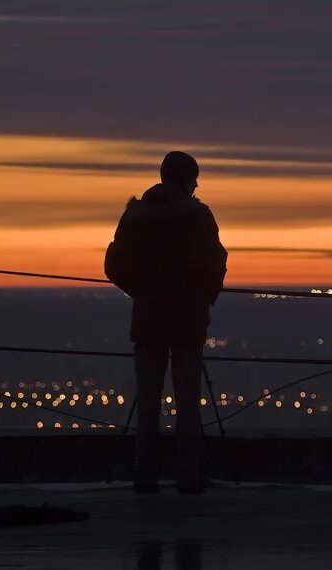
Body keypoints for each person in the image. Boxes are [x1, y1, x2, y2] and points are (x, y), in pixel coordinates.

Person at [105, 151, 227, 494]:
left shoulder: (136, 218)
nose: (198, 184)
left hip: (148, 320)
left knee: (147, 402)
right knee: (188, 403)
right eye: (195, 178)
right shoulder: (199, 217)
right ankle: (188, 477)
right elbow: (215, 262)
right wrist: (202, 296)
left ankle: (144, 477)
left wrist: (142, 293)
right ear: (187, 181)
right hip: (188, 320)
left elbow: (115, 265)